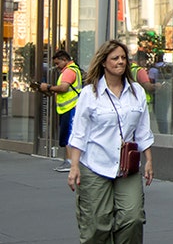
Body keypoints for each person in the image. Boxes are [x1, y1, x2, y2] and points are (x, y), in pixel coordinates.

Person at [66, 40, 155, 244]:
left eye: (123, 58)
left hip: (127, 168)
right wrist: (74, 166)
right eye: (115, 58)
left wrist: (149, 160)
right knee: (97, 224)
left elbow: (142, 130)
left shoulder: (137, 92)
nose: (120, 62)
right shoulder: (90, 93)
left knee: (133, 219)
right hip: (94, 165)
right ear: (104, 63)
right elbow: (79, 133)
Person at [39, 49, 82, 172]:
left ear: (64, 60)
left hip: (70, 107)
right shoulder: (73, 69)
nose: (56, 66)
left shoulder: (69, 71)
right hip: (69, 107)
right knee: (68, 134)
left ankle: (70, 162)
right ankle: (70, 161)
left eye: (58, 63)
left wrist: (48, 87)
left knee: (68, 135)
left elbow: (63, 88)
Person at [130, 53, 158, 132]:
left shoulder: (130, 69)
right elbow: (148, 87)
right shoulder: (140, 71)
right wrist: (157, 86)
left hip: (132, 104)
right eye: (145, 60)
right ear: (141, 60)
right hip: (145, 105)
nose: (145, 63)